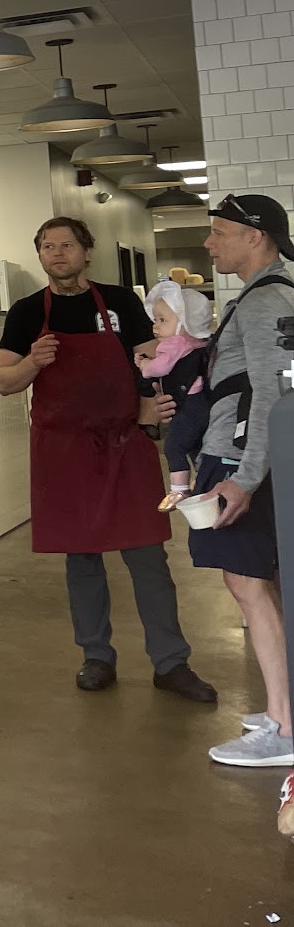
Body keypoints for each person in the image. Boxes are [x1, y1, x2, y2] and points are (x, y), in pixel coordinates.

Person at [0, 217, 214, 702]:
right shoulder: (27, 312)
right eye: (47, 246)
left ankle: (171, 662)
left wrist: (151, 407)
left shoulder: (120, 303)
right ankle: (96, 656)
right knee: (82, 556)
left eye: (67, 245)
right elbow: (4, 382)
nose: (57, 253)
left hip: (124, 442)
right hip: (63, 451)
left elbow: (154, 362)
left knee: (147, 554)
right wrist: (33, 361)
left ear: (87, 251)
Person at [196, 195, 294, 768]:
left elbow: (271, 397)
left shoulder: (264, 301)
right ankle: (286, 707)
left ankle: (285, 727)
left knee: (247, 584)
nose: (209, 243)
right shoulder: (270, 294)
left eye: (219, 232)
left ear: (254, 236)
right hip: (247, 457)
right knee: (264, 582)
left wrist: (245, 478)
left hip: (242, 460)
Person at [137, 278, 214, 509]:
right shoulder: (199, 343)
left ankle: (179, 489)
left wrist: (144, 366)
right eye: (155, 320)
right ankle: (204, 480)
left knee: (174, 445)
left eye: (162, 320)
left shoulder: (175, 343)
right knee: (196, 445)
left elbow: (160, 368)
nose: (155, 326)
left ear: (185, 323)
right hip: (201, 404)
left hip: (189, 404)